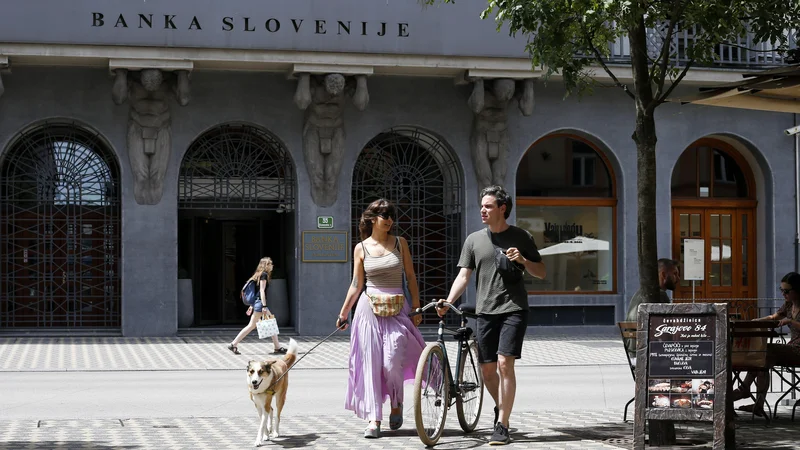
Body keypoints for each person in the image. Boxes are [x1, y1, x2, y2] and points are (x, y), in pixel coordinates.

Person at [436, 185, 546, 446]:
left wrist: (522, 261)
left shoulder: (521, 236)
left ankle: (502, 424)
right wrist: (448, 301)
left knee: (505, 364)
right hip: (485, 311)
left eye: (488, 206)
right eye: (482, 206)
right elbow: (464, 276)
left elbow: (541, 271)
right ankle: (501, 408)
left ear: (502, 208)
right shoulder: (474, 240)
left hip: (514, 308)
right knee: (487, 372)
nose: (482, 210)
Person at [336, 199, 425, 439]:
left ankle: (396, 403)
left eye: (392, 215)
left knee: (391, 361)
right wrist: (344, 312)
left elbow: (410, 276)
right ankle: (374, 419)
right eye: (385, 215)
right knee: (370, 367)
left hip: (397, 309)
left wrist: (416, 307)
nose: (390, 219)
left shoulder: (400, 243)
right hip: (368, 312)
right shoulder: (361, 248)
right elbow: (357, 284)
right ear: (372, 218)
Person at [732, 272, 800, 417]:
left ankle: (745, 391)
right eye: (781, 290)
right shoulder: (788, 305)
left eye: (787, 291)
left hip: (798, 350)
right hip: (792, 347)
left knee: (766, 351)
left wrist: (791, 321)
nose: (783, 294)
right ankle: (757, 403)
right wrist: (755, 322)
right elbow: (774, 317)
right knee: (763, 356)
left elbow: (788, 321)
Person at [227, 257, 288, 356]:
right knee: (255, 325)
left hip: (258, 303)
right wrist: (264, 306)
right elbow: (261, 291)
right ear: (266, 265)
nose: (272, 266)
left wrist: (252, 305)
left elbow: (255, 292)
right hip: (260, 304)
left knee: (268, 322)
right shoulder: (264, 275)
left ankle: (277, 347)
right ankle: (233, 343)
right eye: (270, 264)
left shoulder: (258, 275)